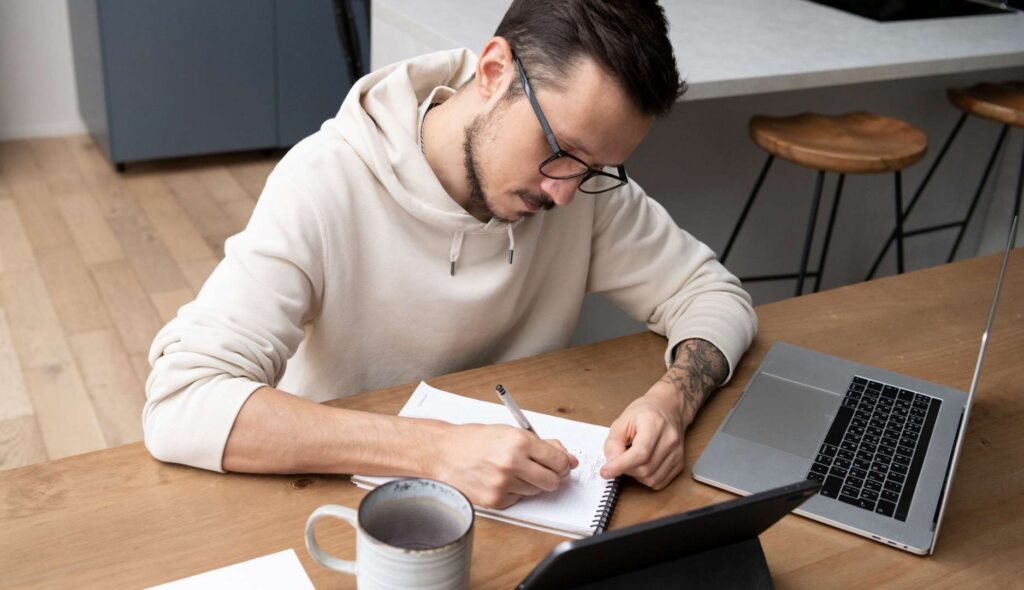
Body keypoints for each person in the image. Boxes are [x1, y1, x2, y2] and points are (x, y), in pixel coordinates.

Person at [143, 0, 757, 509]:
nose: (565, 191)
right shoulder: (325, 181)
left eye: (596, 168)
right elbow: (182, 401)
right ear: (494, 72)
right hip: (337, 502)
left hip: (528, 502)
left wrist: (671, 400)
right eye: (559, 148)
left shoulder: (582, 192)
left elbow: (714, 294)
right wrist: (433, 450)